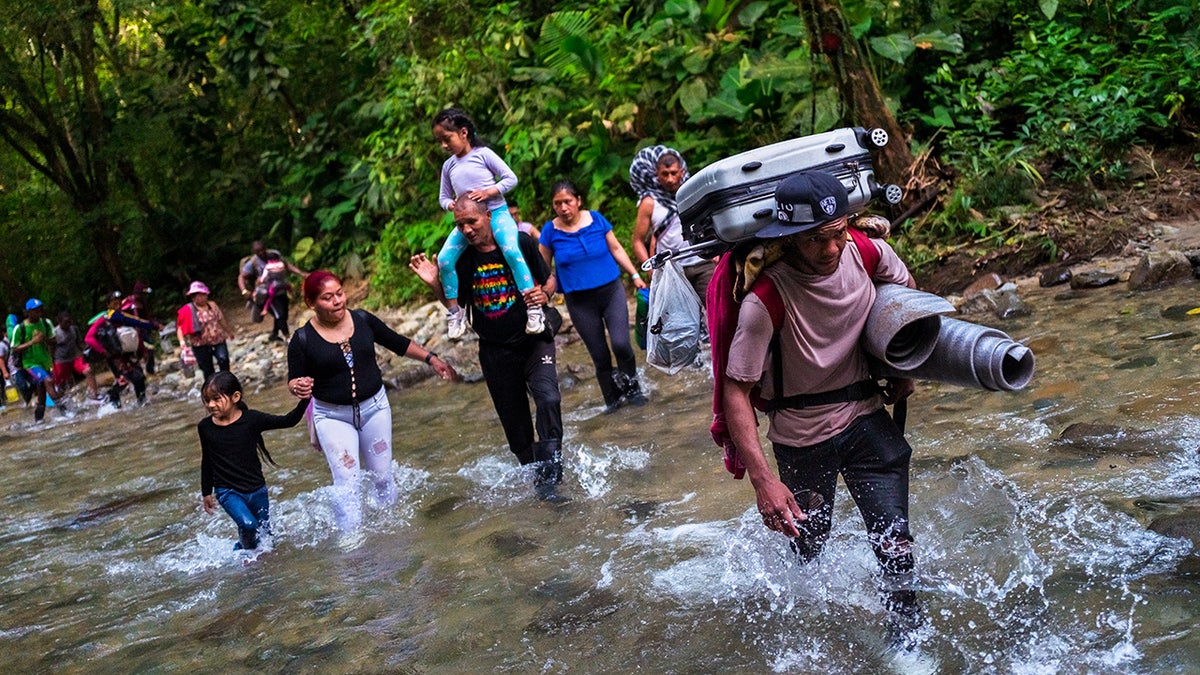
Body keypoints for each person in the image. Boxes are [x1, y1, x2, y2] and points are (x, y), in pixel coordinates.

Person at [720, 171, 924, 648]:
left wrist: (902, 369)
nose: (832, 250)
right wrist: (764, 481)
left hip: (868, 419)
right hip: (802, 438)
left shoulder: (869, 252)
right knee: (810, 553)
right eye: (815, 240)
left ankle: (908, 644)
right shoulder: (766, 299)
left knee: (896, 547)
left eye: (837, 234)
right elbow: (736, 392)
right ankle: (811, 643)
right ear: (788, 239)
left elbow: (908, 303)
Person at [409, 197, 567, 501]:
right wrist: (434, 283)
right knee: (515, 426)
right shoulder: (461, 260)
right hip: (494, 351)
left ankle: (552, 479)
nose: (467, 230)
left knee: (549, 399)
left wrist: (543, 294)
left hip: (533, 340)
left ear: (488, 216)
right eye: (460, 225)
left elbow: (550, 281)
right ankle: (537, 480)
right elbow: (459, 305)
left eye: (472, 222)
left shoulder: (520, 242)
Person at [287, 271, 457, 532]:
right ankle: (352, 540)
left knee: (382, 478)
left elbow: (397, 342)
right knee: (347, 481)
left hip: (375, 408)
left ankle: (390, 533)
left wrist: (432, 359)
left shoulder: (363, 319)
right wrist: (297, 385)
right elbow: (294, 380)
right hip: (332, 417)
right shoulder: (302, 340)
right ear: (311, 304)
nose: (337, 301)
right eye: (327, 298)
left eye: (340, 293)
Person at [431, 107, 544, 339]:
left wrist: (489, 191)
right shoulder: (448, 166)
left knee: (512, 249)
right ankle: (455, 313)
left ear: (463, 133)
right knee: (444, 259)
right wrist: (451, 206)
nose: (443, 145)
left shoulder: (483, 154)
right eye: (439, 141)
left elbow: (510, 178)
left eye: (447, 139)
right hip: (468, 221)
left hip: (497, 213)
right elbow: (443, 197)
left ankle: (533, 308)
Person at [539, 179, 649, 412]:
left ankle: (633, 390)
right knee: (599, 355)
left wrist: (634, 275)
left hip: (611, 292)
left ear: (578, 201)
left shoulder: (596, 219)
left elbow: (616, 248)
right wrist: (543, 292)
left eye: (567, 201)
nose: (563, 207)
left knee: (621, 344)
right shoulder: (550, 231)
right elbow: (543, 267)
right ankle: (612, 401)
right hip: (579, 301)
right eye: (557, 203)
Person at [198, 371, 308, 551]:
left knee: (266, 538)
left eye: (216, 399)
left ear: (235, 397)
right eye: (207, 400)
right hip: (228, 491)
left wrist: (306, 399)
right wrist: (206, 492)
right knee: (249, 525)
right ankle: (242, 553)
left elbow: (288, 421)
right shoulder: (205, 427)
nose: (211, 405)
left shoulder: (252, 420)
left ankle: (258, 568)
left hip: (257, 489)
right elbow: (207, 459)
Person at [630, 146, 717, 303]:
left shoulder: (693, 193)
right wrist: (650, 268)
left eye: (673, 173)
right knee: (680, 320)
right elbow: (637, 241)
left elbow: (712, 220)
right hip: (671, 269)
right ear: (657, 175)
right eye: (665, 174)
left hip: (703, 263)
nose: (670, 179)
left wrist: (718, 251)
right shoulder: (649, 203)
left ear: (681, 172)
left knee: (714, 310)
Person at [85, 291, 161, 407]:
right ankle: (111, 401)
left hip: (128, 354)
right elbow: (89, 338)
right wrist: (103, 351)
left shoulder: (124, 317)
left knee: (139, 377)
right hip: (114, 356)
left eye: (118, 303)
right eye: (114, 303)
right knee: (123, 380)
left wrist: (143, 350)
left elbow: (135, 333)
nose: (117, 305)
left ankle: (142, 402)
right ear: (108, 305)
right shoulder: (104, 320)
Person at [239, 240, 306, 342]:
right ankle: (288, 338)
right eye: (258, 251)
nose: (261, 253)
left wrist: (301, 273)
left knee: (284, 313)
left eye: (262, 250)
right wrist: (244, 290)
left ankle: (274, 334)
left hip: (280, 289)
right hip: (266, 293)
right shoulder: (252, 262)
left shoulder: (274, 254)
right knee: (279, 314)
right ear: (254, 251)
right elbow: (241, 276)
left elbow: (286, 265)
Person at [11, 298, 66, 421]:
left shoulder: (46, 323)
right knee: (48, 381)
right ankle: (65, 412)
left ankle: (38, 420)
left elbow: (53, 341)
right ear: (28, 312)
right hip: (30, 363)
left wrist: (44, 338)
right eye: (35, 311)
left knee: (41, 395)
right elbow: (15, 348)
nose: (39, 313)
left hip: (45, 362)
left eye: (40, 310)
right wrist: (32, 342)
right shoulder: (20, 328)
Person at [177, 281, 235, 383]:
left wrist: (228, 332)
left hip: (218, 340)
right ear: (193, 297)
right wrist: (182, 342)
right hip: (200, 344)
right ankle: (212, 389)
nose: (200, 298)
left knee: (224, 359)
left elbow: (220, 319)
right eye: (197, 296)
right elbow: (180, 328)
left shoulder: (212, 305)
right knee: (207, 369)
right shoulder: (187, 310)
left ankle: (226, 383)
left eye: (202, 295)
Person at [52, 311, 100, 401]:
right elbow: (51, 349)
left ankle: (94, 396)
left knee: (88, 371)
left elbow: (79, 343)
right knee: (60, 384)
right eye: (66, 322)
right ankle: (61, 402)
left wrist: (87, 351)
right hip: (61, 361)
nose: (68, 324)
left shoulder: (74, 329)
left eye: (70, 322)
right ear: (60, 322)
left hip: (74, 358)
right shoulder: (55, 333)